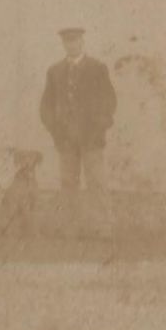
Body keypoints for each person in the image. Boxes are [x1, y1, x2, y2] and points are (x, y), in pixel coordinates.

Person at [38, 26, 118, 237]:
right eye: (67, 42)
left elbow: (109, 101)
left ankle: (103, 226)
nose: (71, 45)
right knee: (68, 182)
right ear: (63, 44)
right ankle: (70, 227)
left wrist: (99, 126)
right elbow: (46, 105)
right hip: (66, 139)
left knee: (97, 181)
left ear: (82, 42)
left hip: (91, 137)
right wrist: (54, 129)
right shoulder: (54, 72)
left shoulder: (97, 68)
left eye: (74, 41)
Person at [0, 149, 44, 238]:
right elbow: (18, 199)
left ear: (35, 160)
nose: (27, 160)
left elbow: (32, 200)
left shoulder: (32, 179)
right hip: (11, 207)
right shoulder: (19, 179)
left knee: (29, 211)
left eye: (30, 157)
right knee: (8, 214)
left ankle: (31, 232)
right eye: (24, 158)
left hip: (22, 208)